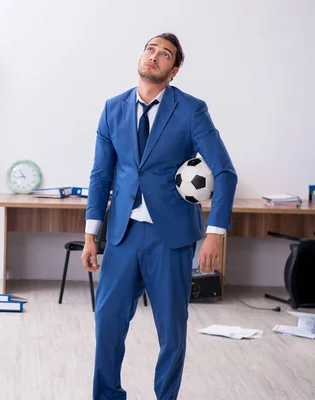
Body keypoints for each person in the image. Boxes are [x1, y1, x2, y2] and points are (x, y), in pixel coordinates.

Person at [81, 33, 237, 400]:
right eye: (150, 49)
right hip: (123, 234)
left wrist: (215, 231)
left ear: (174, 70)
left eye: (164, 54)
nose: (154, 56)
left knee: (171, 332)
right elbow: (101, 175)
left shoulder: (191, 109)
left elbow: (225, 172)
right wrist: (91, 233)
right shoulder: (112, 108)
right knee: (107, 324)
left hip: (171, 238)